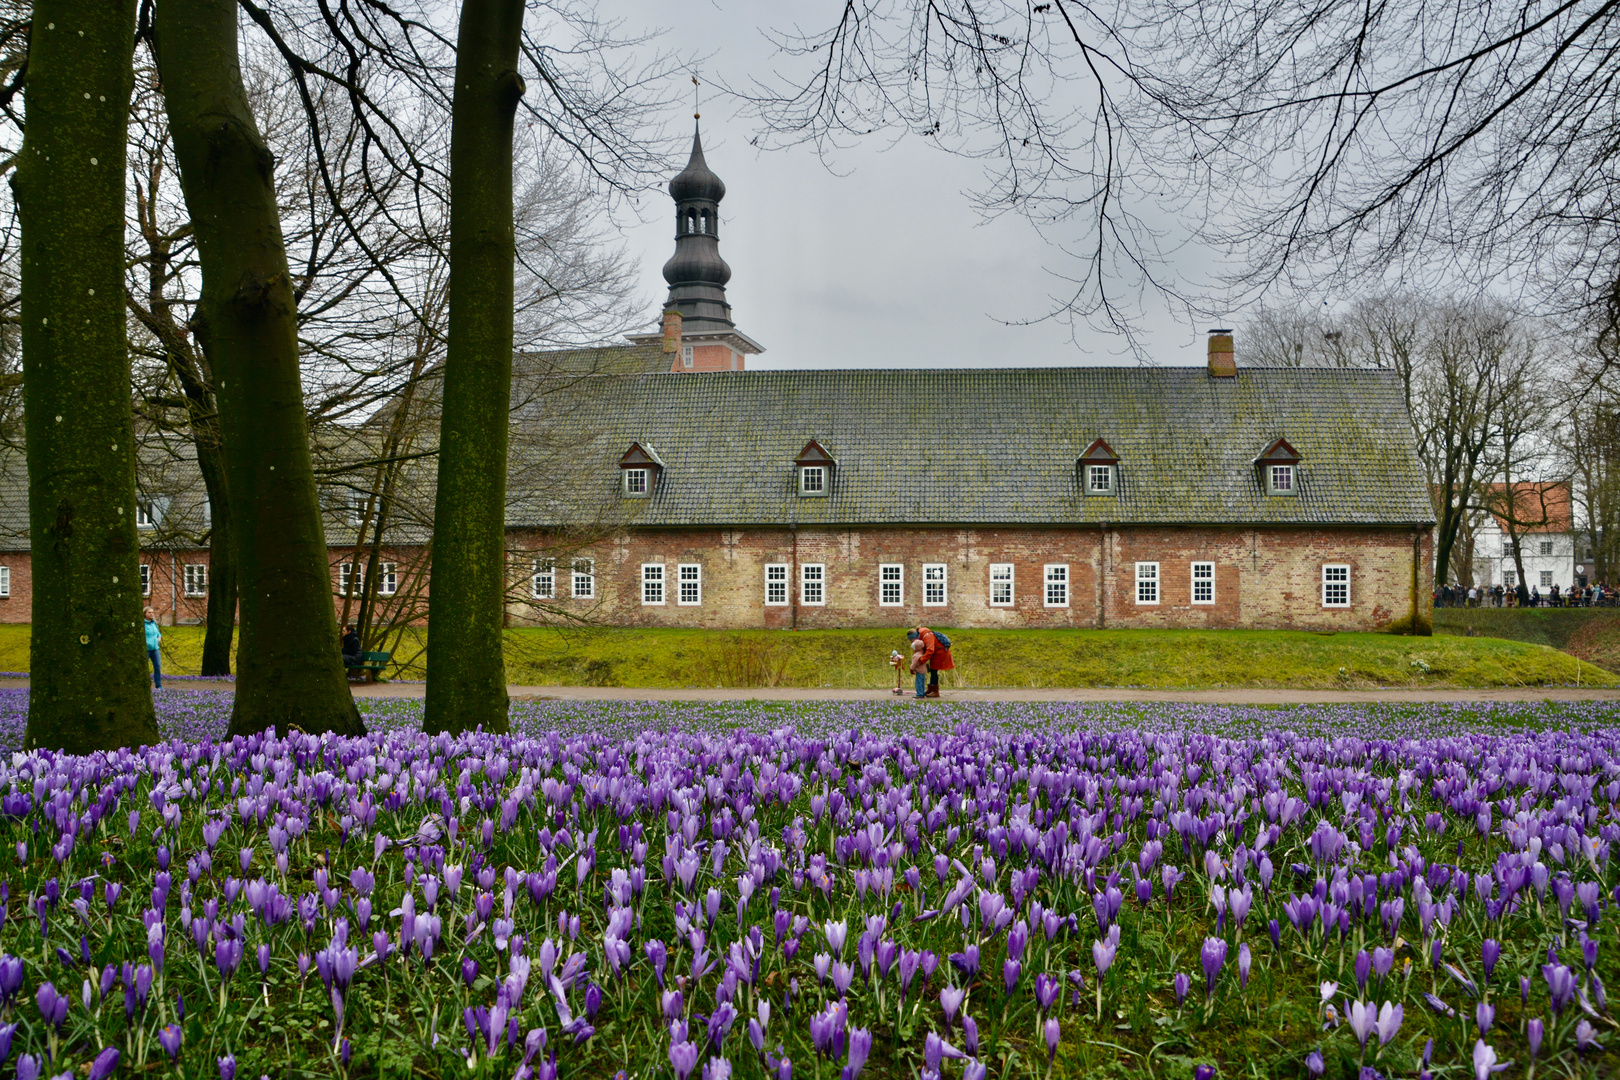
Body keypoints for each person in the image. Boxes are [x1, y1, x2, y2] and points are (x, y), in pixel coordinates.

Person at [909, 625, 955, 698]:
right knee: (933, 670)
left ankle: (935, 691)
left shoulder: (927, 636)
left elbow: (930, 650)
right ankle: (930, 689)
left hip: (940, 653)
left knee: (934, 671)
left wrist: (921, 660)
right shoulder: (924, 635)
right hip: (936, 652)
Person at [143, 607, 162, 690]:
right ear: (145, 614)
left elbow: (158, 633)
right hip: (146, 649)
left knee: (157, 667)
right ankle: (144, 684)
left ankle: (158, 685)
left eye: (152, 612)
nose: (151, 614)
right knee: (144, 667)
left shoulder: (154, 623)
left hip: (155, 649)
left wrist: (159, 637)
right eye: (149, 612)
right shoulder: (143, 624)